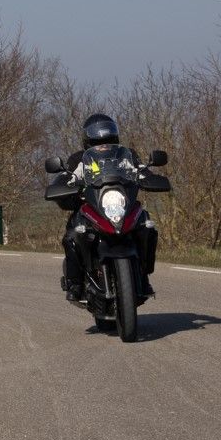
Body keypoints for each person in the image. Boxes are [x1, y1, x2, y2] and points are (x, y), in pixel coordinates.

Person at [56, 113, 158, 301]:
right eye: (97, 142)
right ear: (88, 142)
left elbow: (141, 170)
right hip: (90, 207)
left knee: (146, 226)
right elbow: (67, 177)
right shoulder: (79, 159)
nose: (103, 145)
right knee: (72, 235)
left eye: (108, 140)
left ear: (116, 138)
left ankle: (143, 276)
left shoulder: (127, 155)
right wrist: (64, 184)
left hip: (121, 204)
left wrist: (149, 177)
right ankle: (75, 283)